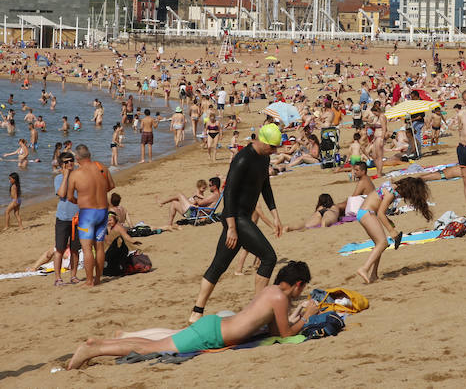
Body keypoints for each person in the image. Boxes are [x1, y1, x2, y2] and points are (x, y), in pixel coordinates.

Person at [67, 261, 317, 370]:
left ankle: (100, 345)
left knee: (154, 345)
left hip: (215, 325)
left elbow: (274, 331)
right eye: (302, 287)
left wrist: (295, 314)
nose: (300, 292)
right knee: (150, 349)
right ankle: (94, 349)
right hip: (213, 334)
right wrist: (307, 317)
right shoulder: (279, 298)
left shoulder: (273, 292)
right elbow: (284, 335)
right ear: (298, 284)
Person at [190, 123, 284, 322]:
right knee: (269, 257)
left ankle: (196, 311)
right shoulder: (242, 159)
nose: (275, 151)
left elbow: (265, 187)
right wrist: (231, 227)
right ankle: (258, 309)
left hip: (242, 218)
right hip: (236, 218)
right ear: (263, 141)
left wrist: (275, 215)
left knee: (219, 264)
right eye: (272, 147)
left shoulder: (264, 157)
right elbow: (229, 193)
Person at [355, 178, 433, 284]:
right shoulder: (391, 194)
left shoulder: (391, 188)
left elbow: (378, 207)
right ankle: (364, 268)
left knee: (379, 245)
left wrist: (388, 220)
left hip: (366, 213)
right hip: (367, 213)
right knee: (383, 243)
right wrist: (391, 231)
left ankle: (374, 274)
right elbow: (381, 213)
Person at [67, 144, 116, 286]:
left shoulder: (76, 174)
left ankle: (89, 281)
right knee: (99, 247)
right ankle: (98, 279)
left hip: (87, 214)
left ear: (77, 158)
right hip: (102, 211)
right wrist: (99, 191)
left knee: (87, 248)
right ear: (89, 155)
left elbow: (70, 197)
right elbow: (111, 185)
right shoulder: (101, 167)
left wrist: (80, 200)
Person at [53, 152, 80, 285]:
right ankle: (58, 278)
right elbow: (62, 193)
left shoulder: (79, 177)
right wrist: (65, 176)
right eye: (66, 162)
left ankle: (73, 276)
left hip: (78, 218)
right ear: (61, 165)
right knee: (59, 249)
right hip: (63, 218)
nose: (70, 163)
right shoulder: (58, 178)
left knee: (75, 249)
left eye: (71, 161)